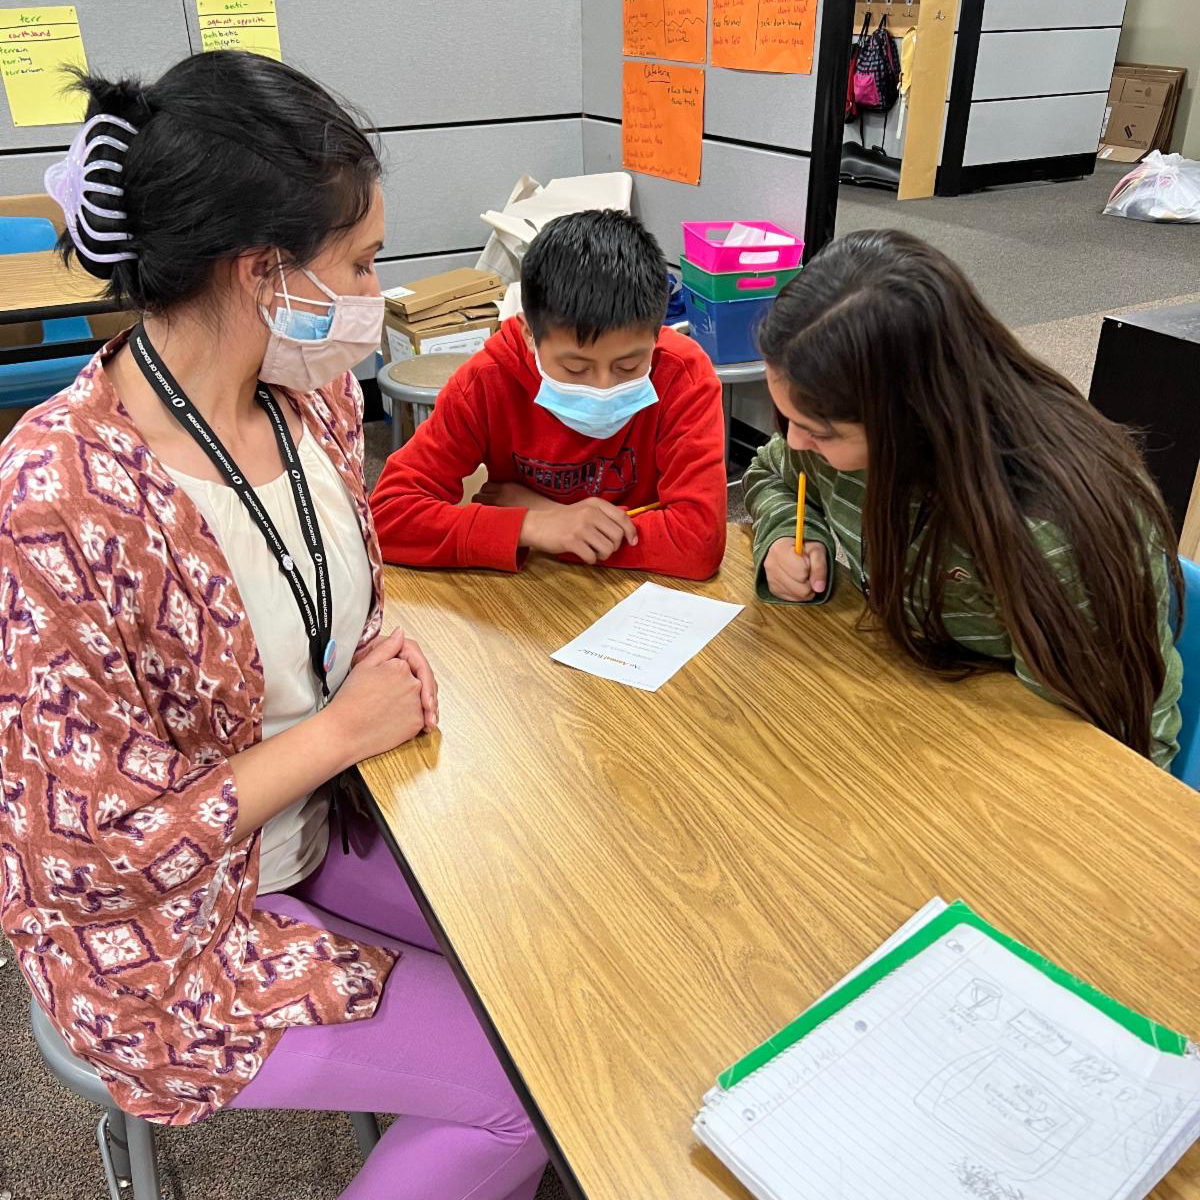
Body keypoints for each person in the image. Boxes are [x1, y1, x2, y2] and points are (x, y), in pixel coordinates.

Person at [0, 52, 546, 1200]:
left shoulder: (312, 393)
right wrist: (342, 730)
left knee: (540, 951)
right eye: (362, 262)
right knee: (521, 1089)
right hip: (161, 937)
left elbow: (319, 598)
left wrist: (369, 661)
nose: (378, 290)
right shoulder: (56, 495)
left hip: (310, 828)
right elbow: (85, 859)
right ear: (263, 273)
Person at [744, 229, 1183, 768]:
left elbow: (1113, 745)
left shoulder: (1050, 525)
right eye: (787, 417)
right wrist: (788, 533)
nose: (794, 440)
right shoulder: (832, 429)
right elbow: (771, 471)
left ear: (914, 416)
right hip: (920, 706)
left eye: (820, 431)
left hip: (1042, 756)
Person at [369, 210, 727, 580]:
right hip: (532, 592)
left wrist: (541, 510)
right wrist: (533, 527)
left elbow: (698, 542)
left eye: (628, 367)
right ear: (528, 334)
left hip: (647, 591)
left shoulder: (682, 375)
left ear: (658, 334)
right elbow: (387, 515)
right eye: (575, 369)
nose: (603, 387)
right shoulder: (488, 380)